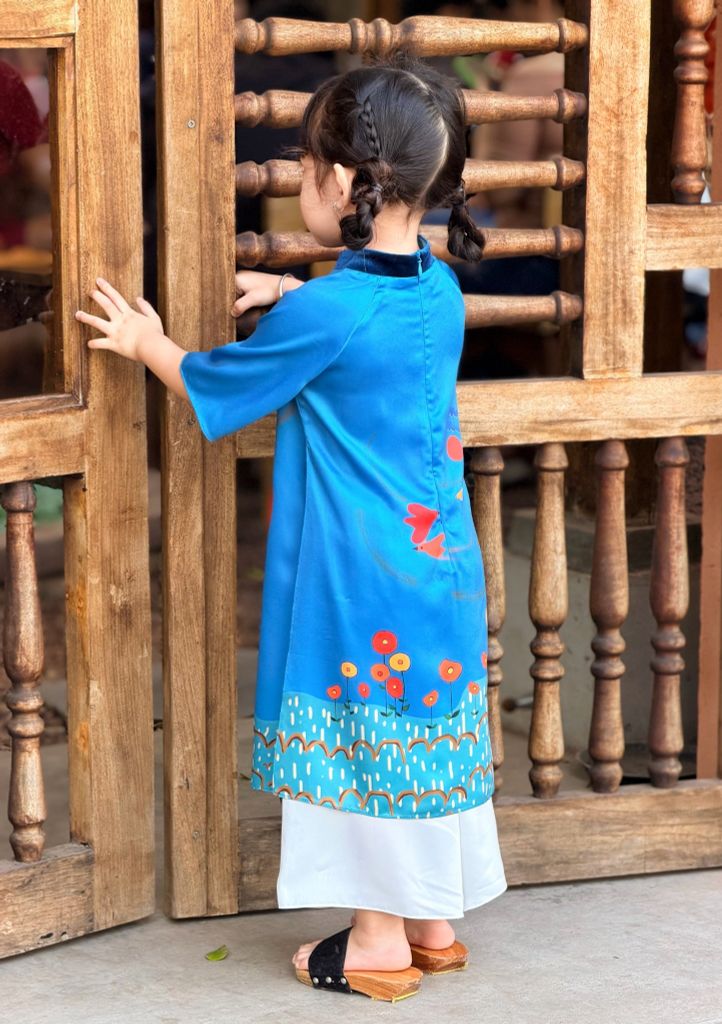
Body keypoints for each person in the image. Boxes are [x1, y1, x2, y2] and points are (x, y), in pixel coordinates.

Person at [74, 51, 508, 1003]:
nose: (303, 183)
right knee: (421, 732)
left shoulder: (334, 311)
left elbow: (217, 385)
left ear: (344, 183)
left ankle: (378, 944)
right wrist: (292, 296)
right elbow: (368, 326)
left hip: (359, 578)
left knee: (361, 741)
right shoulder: (436, 288)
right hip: (438, 566)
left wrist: (147, 341)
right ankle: (433, 922)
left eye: (307, 167)